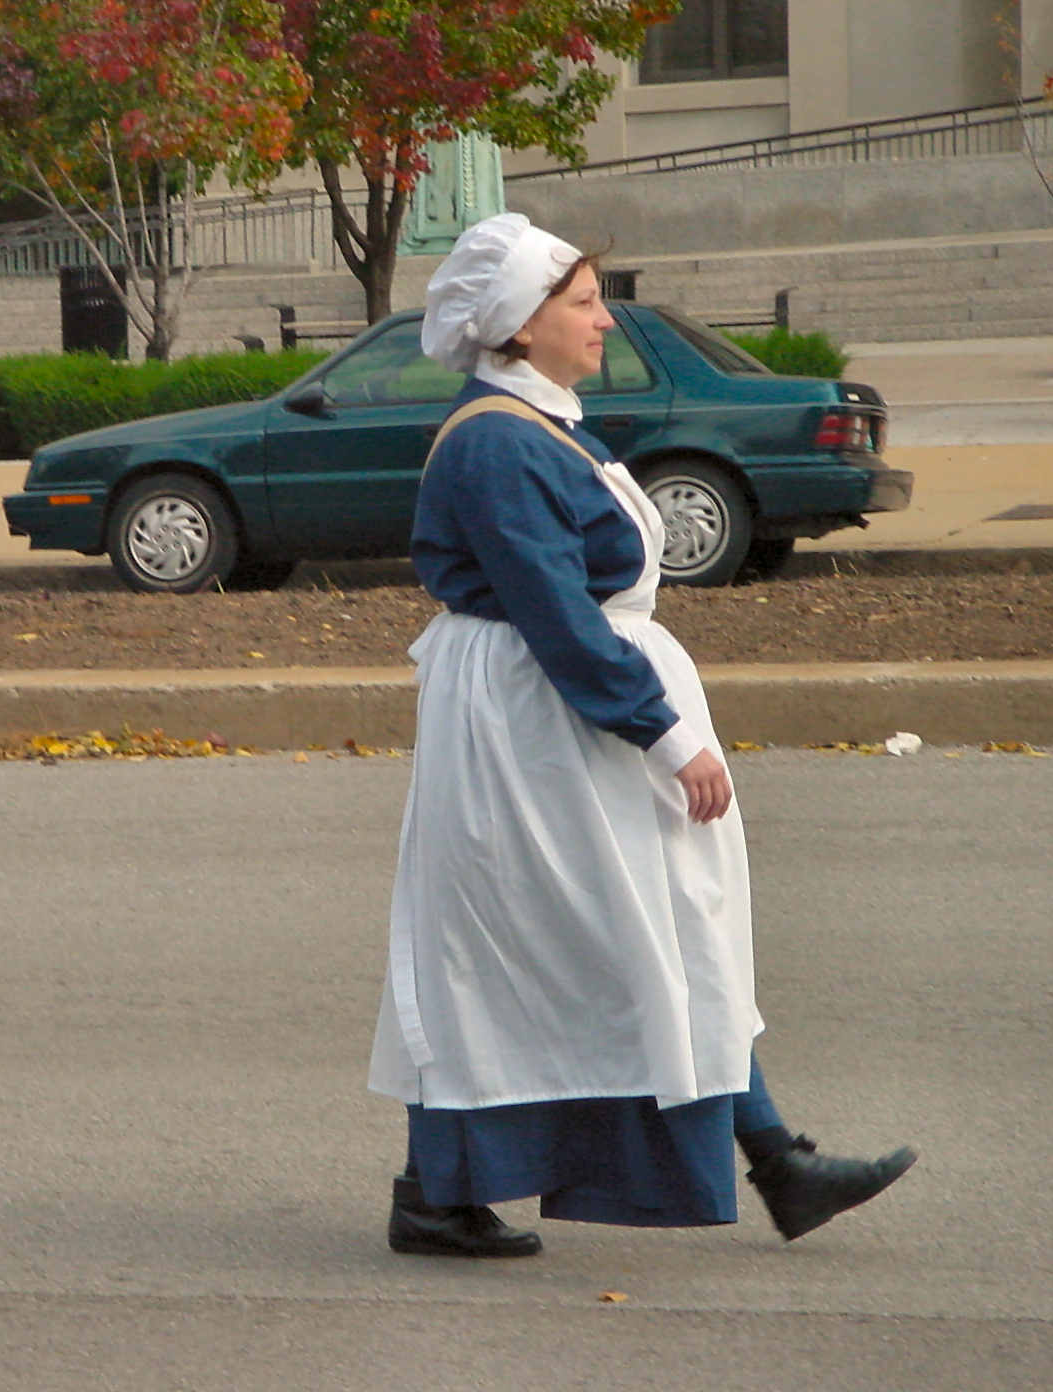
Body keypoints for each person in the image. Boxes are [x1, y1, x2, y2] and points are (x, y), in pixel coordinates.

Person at [368, 212, 915, 1256]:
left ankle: (775, 1160)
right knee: (544, 951)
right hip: (536, 727)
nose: (602, 318)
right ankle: (437, 1192)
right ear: (520, 327)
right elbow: (558, 616)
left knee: (658, 933)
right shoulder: (496, 442)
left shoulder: (542, 421)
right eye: (580, 301)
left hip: (562, 716)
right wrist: (665, 734)